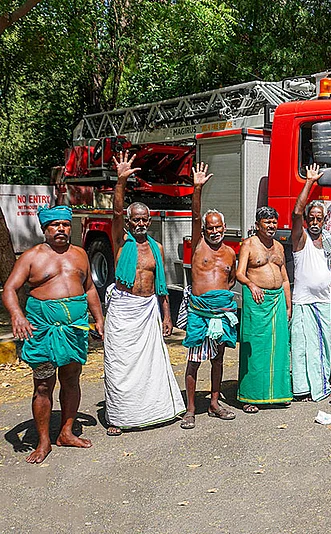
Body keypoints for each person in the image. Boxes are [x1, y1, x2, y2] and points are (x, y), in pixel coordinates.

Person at [2, 205, 105, 463]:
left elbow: (90, 288)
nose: (61, 229)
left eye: (65, 225)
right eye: (54, 225)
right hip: (43, 330)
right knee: (44, 384)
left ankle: (66, 432)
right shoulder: (31, 257)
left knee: (71, 379)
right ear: (44, 229)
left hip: (74, 329)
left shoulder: (80, 254)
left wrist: (99, 318)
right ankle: (44, 441)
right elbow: (9, 289)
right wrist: (17, 315)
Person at [103, 152, 185, 436]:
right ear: (128, 222)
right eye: (135, 220)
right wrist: (121, 181)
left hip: (148, 309)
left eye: (144, 220)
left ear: (149, 222)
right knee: (119, 364)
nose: (140, 224)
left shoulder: (156, 248)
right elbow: (115, 212)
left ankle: (155, 411)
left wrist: (167, 315)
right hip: (123, 311)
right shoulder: (120, 243)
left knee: (151, 365)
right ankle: (119, 417)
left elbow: (161, 286)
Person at [181, 162, 239, 429]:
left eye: (218, 227)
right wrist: (197, 188)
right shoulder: (199, 247)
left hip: (221, 312)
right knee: (194, 361)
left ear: (224, 227)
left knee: (218, 359)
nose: (215, 231)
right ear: (203, 230)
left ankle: (214, 403)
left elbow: (230, 280)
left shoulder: (230, 253)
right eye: (209, 228)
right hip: (200, 313)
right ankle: (191, 409)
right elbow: (194, 215)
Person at [235, 206, 292, 411]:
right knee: (256, 348)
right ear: (258, 224)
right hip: (257, 302)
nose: (271, 225)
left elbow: (285, 278)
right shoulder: (249, 244)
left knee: (279, 348)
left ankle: (278, 393)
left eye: (274, 221)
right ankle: (250, 396)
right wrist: (252, 285)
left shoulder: (278, 246)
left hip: (277, 300)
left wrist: (288, 304)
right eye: (267, 222)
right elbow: (239, 273)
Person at [290, 164, 331, 401]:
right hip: (303, 301)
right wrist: (309, 182)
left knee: (323, 345)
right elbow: (296, 213)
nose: (315, 221)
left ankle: (320, 384)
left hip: (323, 301)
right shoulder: (301, 238)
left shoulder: (328, 241)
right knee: (301, 347)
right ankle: (302, 388)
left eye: (319, 218)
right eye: (312, 218)